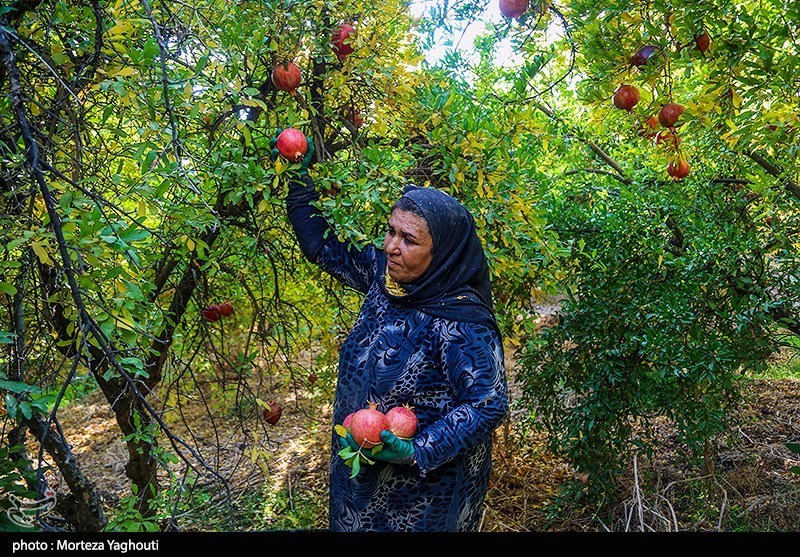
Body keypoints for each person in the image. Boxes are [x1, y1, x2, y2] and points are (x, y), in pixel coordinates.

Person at [272, 133, 509, 532]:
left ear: (443, 254)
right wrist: (298, 176)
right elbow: (322, 248)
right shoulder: (386, 277)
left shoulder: (461, 321)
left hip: (424, 494)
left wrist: (416, 449)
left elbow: (488, 403)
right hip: (362, 474)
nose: (391, 247)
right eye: (390, 231)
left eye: (409, 239)